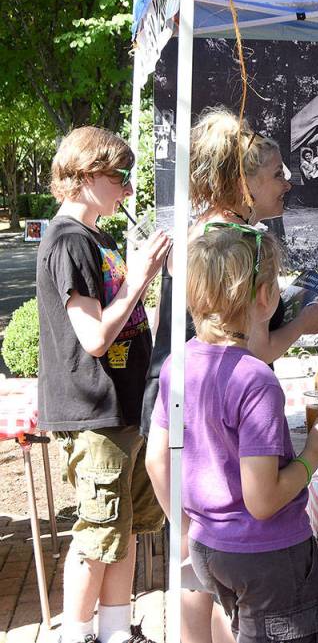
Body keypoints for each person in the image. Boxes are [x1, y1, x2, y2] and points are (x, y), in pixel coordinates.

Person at [141, 107, 318, 643]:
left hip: (196, 422)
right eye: (275, 174)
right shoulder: (234, 247)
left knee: (205, 579)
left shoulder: (217, 239)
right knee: (198, 582)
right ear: (243, 182)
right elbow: (254, 347)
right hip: (203, 424)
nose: (287, 182)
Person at [35, 127, 171, 643]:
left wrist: (162, 282)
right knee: (97, 534)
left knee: (126, 529)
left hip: (123, 408)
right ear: (87, 176)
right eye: (120, 178)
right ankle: (77, 635)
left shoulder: (98, 236)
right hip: (94, 414)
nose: (128, 190)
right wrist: (138, 279)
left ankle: (115, 631)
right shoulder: (69, 241)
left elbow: (130, 318)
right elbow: (93, 337)